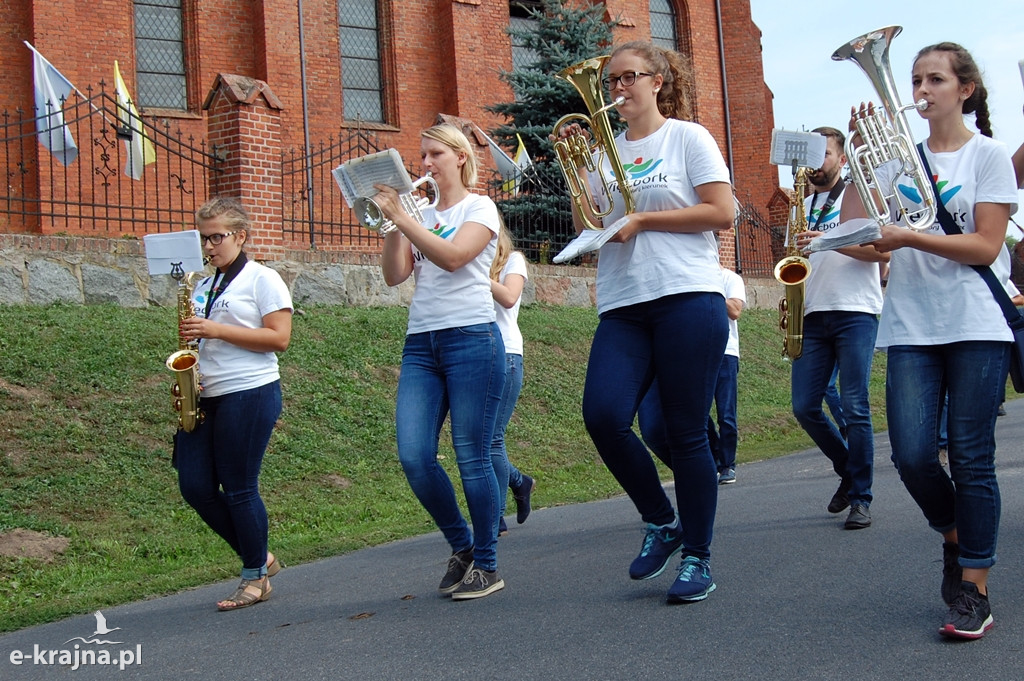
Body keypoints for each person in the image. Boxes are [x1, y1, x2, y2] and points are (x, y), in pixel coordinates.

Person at [845, 42, 1018, 639]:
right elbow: (861, 238)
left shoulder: (988, 157)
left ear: (964, 89)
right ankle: (954, 536)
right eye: (915, 78)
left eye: (935, 79)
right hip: (912, 326)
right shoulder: (897, 160)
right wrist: (856, 165)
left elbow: (986, 247)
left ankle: (975, 589)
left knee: (971, 459)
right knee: (913, 455)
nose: (921, 89)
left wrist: (910, 239)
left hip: (975, 322)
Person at [553, 40, 735, 603]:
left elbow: (722, 212)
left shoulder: (688, 137)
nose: (617, 90)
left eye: (629, 77)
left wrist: (645, 220)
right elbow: (595, 219)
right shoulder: (605, 154)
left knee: (683, 433)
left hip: (686, 294)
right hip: (624, 301)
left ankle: (698, 559)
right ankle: (662, 520)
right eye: (611, 81)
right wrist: (576, 164)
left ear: (659, 81)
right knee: (603, 415)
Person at [377, 123, 507, 600]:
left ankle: (488, 565)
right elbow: (395, 276)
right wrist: (394, 225)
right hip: (422, 344)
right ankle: (463, 545)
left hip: (472, 337)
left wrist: (407, 220)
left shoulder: (480, 207)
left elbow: (454, 257)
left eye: (434, 154)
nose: (426, 164)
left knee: (471, 456)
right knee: (414, 456)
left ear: (459, 157)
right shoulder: (421, 213)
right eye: (423, 155)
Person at [175, 197, 293, 611]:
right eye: (204, 238)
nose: (209, 247)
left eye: (217, 237)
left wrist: (215, 330)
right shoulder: (204, 285)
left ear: (241, 236)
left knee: (239, 488)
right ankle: (259, 555)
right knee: (194, 485)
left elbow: (279, 338)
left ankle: (254, 578)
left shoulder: (263, 279)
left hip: (250, 391)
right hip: (206, 395)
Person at [792, 126, 888, 530]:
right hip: (812, 313)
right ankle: (848, 469)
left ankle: (861, 497)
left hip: (855, 310)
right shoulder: (802, 204)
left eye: (826, 153)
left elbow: (877, 252)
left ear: (842, 159)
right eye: (813, 154)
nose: (818, 161)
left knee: (855, 405)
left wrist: (824, 241)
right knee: (804, 406)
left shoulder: (859, 196)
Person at [638, 264, 745, 486]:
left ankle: (728, 465)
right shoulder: (690, 277)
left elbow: (734, 311)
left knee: (726, 414)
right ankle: (714, 458)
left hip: (726, 353)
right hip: (697, 352)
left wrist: (711, 290)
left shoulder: (730, 278)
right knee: (698, 413)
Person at [489, 221, 535, 535]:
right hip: (476, 354)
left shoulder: (513, 260)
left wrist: (475, 275)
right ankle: (519, 482)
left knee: (491, 438)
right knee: (479, 441)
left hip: (506, 354)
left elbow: (508, 296)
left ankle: (494, 516)